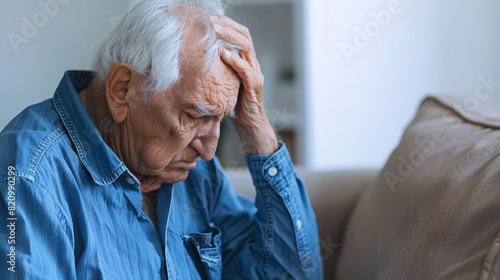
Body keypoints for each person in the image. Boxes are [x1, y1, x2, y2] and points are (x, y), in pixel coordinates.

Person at [0, 0, 322, 279]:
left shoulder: (194, 174)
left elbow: (292, 274)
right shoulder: (30, 174)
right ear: (122, 90)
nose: (209, 152)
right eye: (194, 116)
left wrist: (257, 129)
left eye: (220, 119)